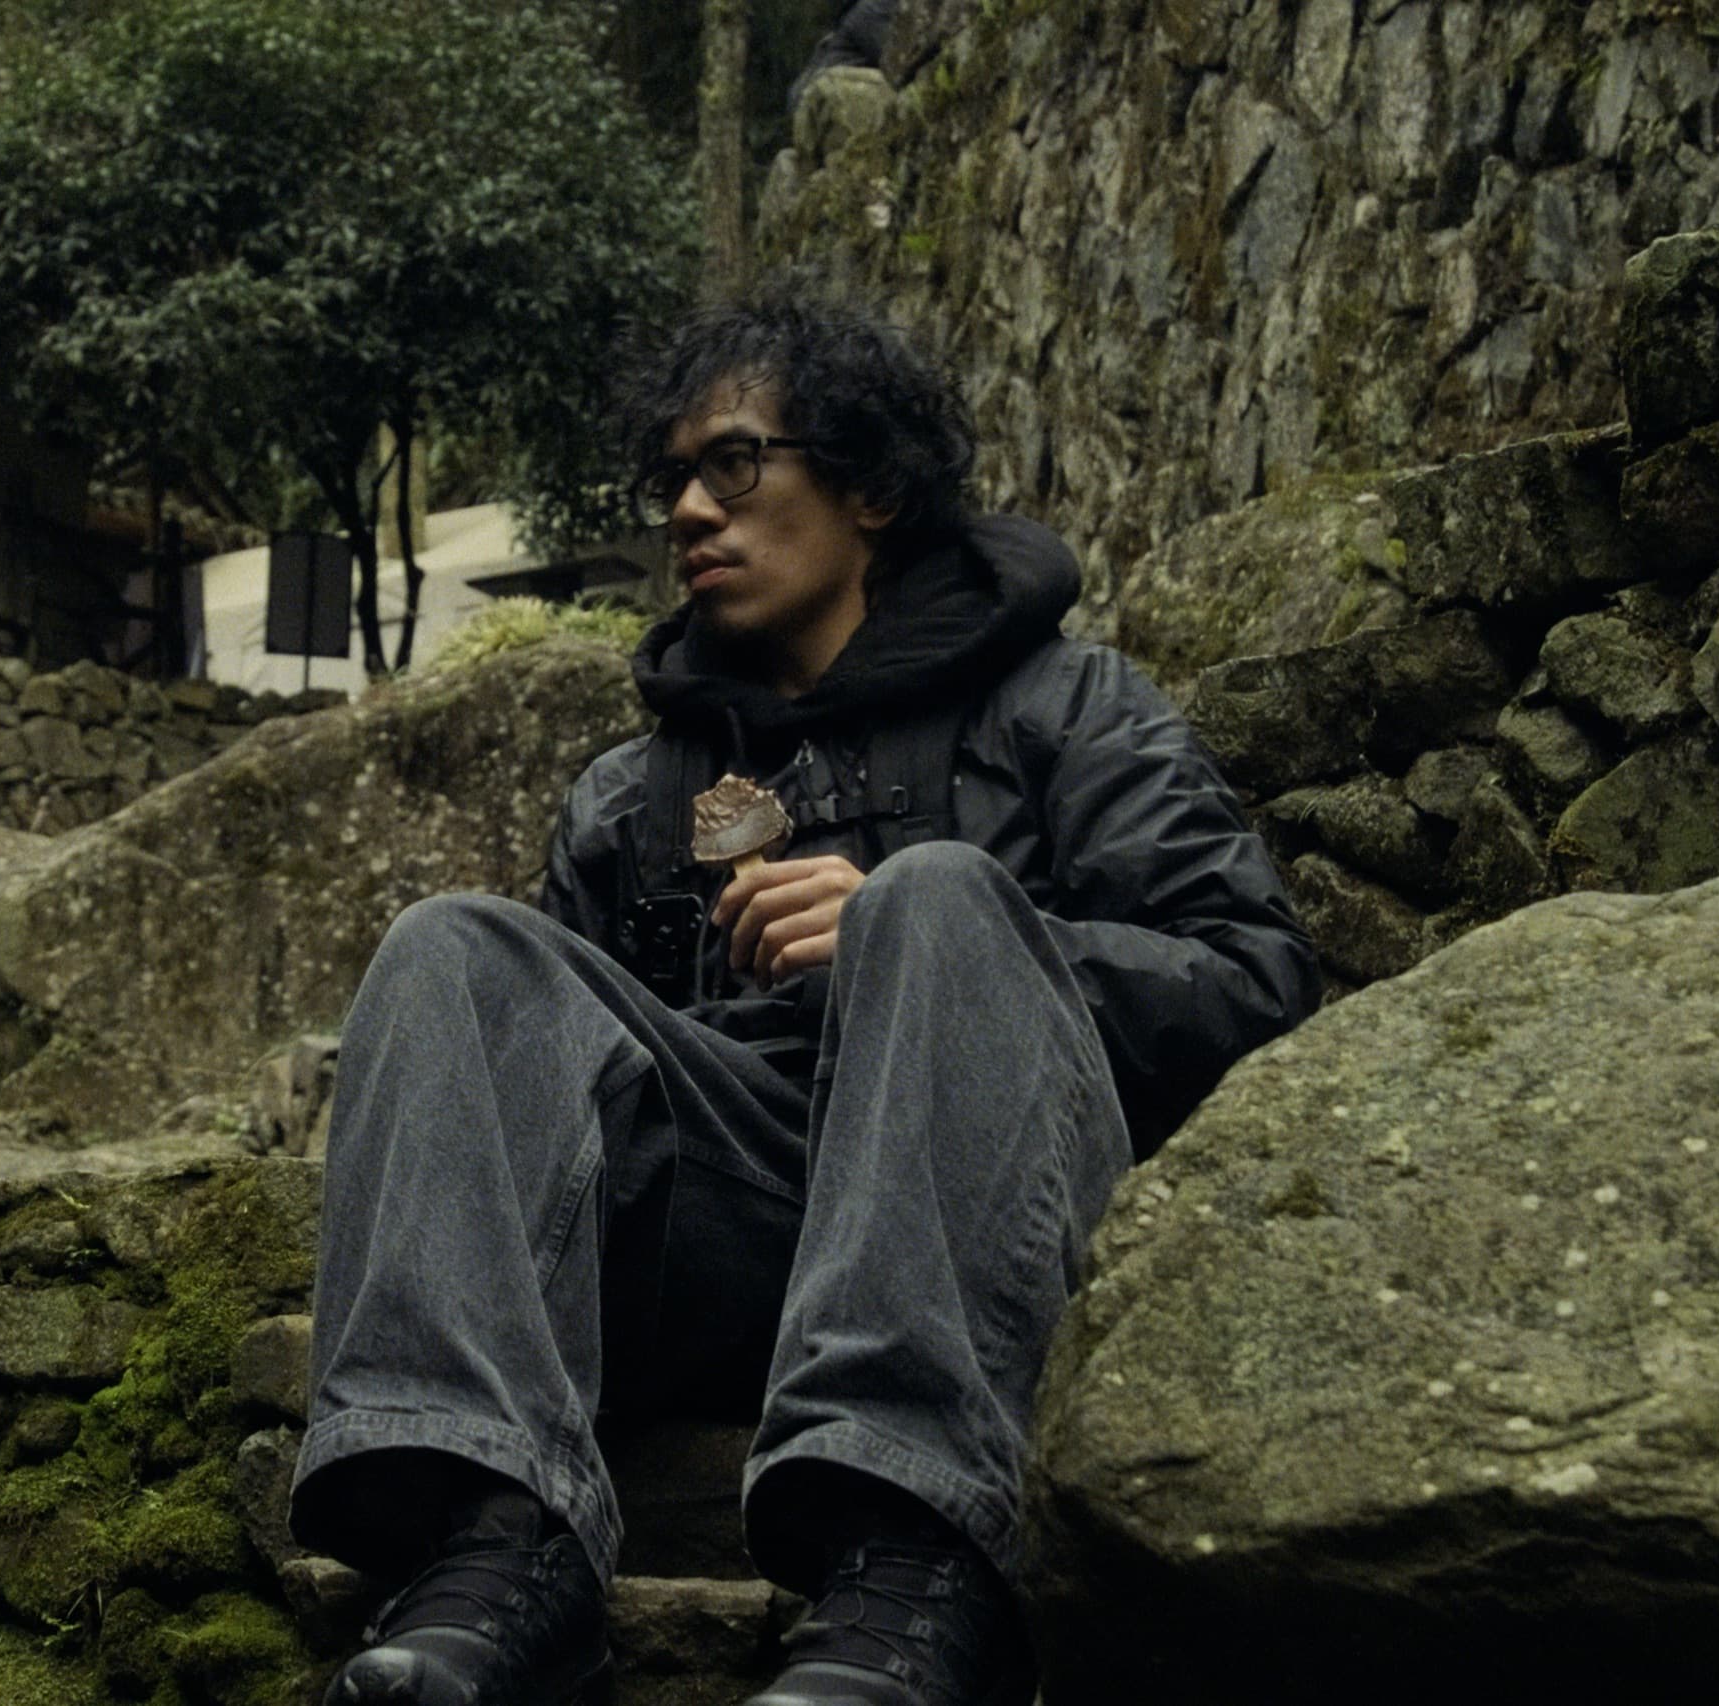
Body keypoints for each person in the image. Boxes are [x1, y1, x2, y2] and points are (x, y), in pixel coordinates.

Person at [290, 288, 1321, 1706]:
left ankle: (913, 1570)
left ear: (875, 486)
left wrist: (924, 935)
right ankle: (493, 1550)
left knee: (939, 895)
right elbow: (537, 1118)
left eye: (733, 464)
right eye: (671, 481)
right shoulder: (627, 796)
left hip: (989, 1228)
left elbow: (1258, 985)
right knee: (450, 950)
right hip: (733, 1233)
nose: (688, 513)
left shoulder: (1067, 708)